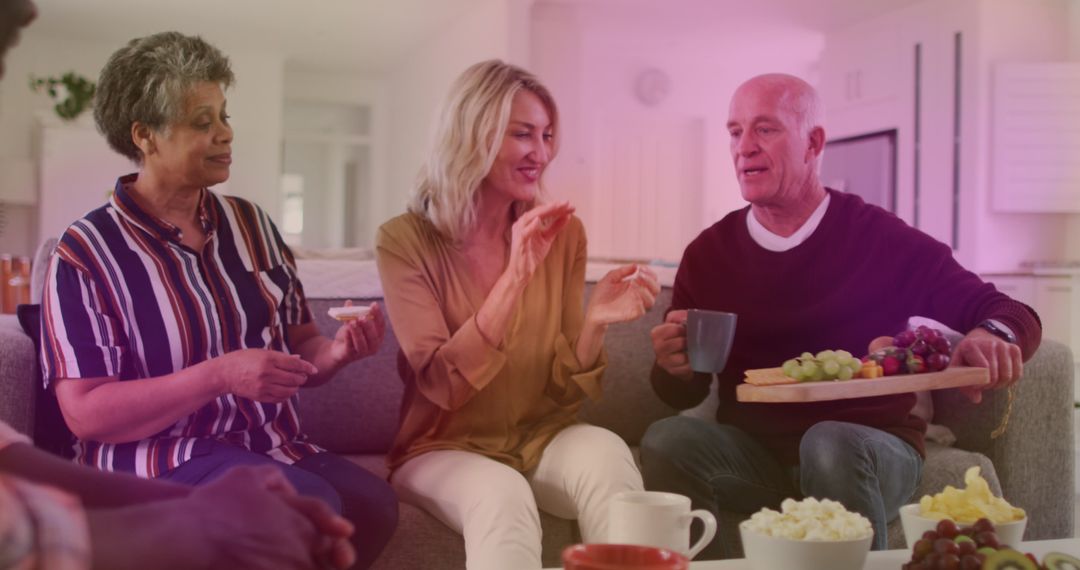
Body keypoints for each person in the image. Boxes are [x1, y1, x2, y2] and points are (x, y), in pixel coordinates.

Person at [641, 73, 1041, 557]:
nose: (743, 147)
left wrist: (991, 334)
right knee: (667, 439)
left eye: (765, 130)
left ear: (813, 143)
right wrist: (671, 366)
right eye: (734, 131)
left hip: (869, 451)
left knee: (827, 442)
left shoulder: (881, 239)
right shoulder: (708, 254)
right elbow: (683, 390)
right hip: (755, 458)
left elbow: (1007, 310)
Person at [37, 31, 396, 568]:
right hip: (151, 458)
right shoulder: (85, 252)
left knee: (373, 506)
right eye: (203, 122)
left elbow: (303, 348)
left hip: (265, 445)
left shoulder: (253, 226)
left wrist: (338, 353)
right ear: (146, 137)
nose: (226, 134)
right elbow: (85, 413)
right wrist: (218, 374)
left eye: (224, 116)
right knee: (301, 508)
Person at [375, 59, 660, 570]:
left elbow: (564, 396)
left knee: (609, 456)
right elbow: (443, 385)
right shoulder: (404, 241)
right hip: (441, 446)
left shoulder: (564, 235)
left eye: (548, 135)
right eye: (524, 134)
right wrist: (515, 276)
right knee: (501, 495)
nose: (542, 153)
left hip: (540, 436)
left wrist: (594, 322)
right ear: (473, 135)